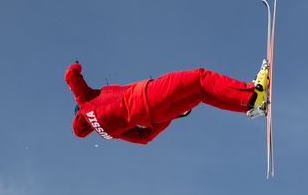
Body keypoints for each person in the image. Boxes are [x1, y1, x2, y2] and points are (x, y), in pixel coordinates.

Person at [65, 60, 268, 144]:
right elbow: (70, 75)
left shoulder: (107, 133)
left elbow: (143, 138)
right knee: (200, 77)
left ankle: (251, 106)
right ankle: (252, 94)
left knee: (200, 95)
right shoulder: (85, 102)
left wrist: (166, 119)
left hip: (155, 116)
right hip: (144, 96)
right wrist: (77, 64)